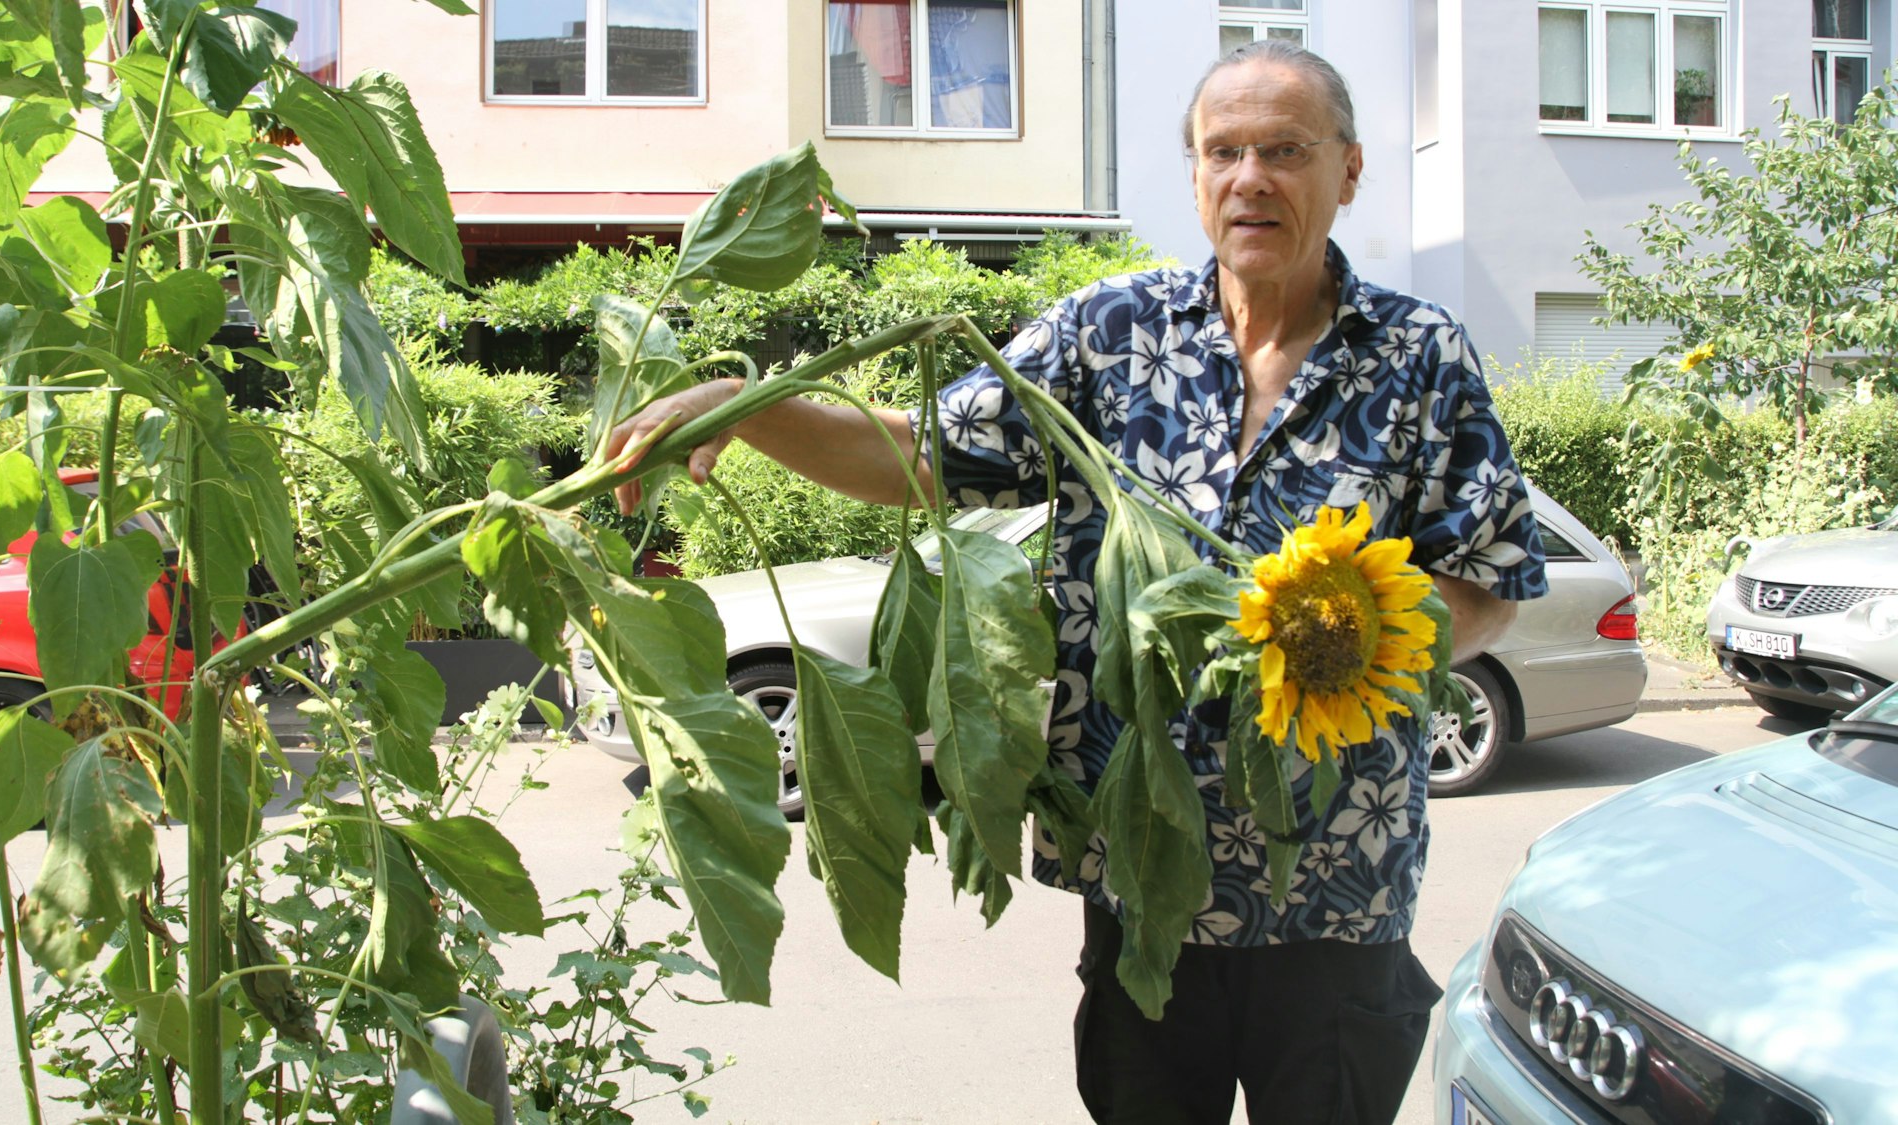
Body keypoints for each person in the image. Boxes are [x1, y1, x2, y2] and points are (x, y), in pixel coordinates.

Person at [608, 40, 1548, 1125]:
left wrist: (1360, 632)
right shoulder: (1109, 333)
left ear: (1347, 170)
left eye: (1283, 150)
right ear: (1195, 178)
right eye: (1223, 151)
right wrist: (745, 402)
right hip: (1141, 875)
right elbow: (919, 458)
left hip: (1337, 890)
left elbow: (1489, 580)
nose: (1251, 177)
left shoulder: (1421, 354)